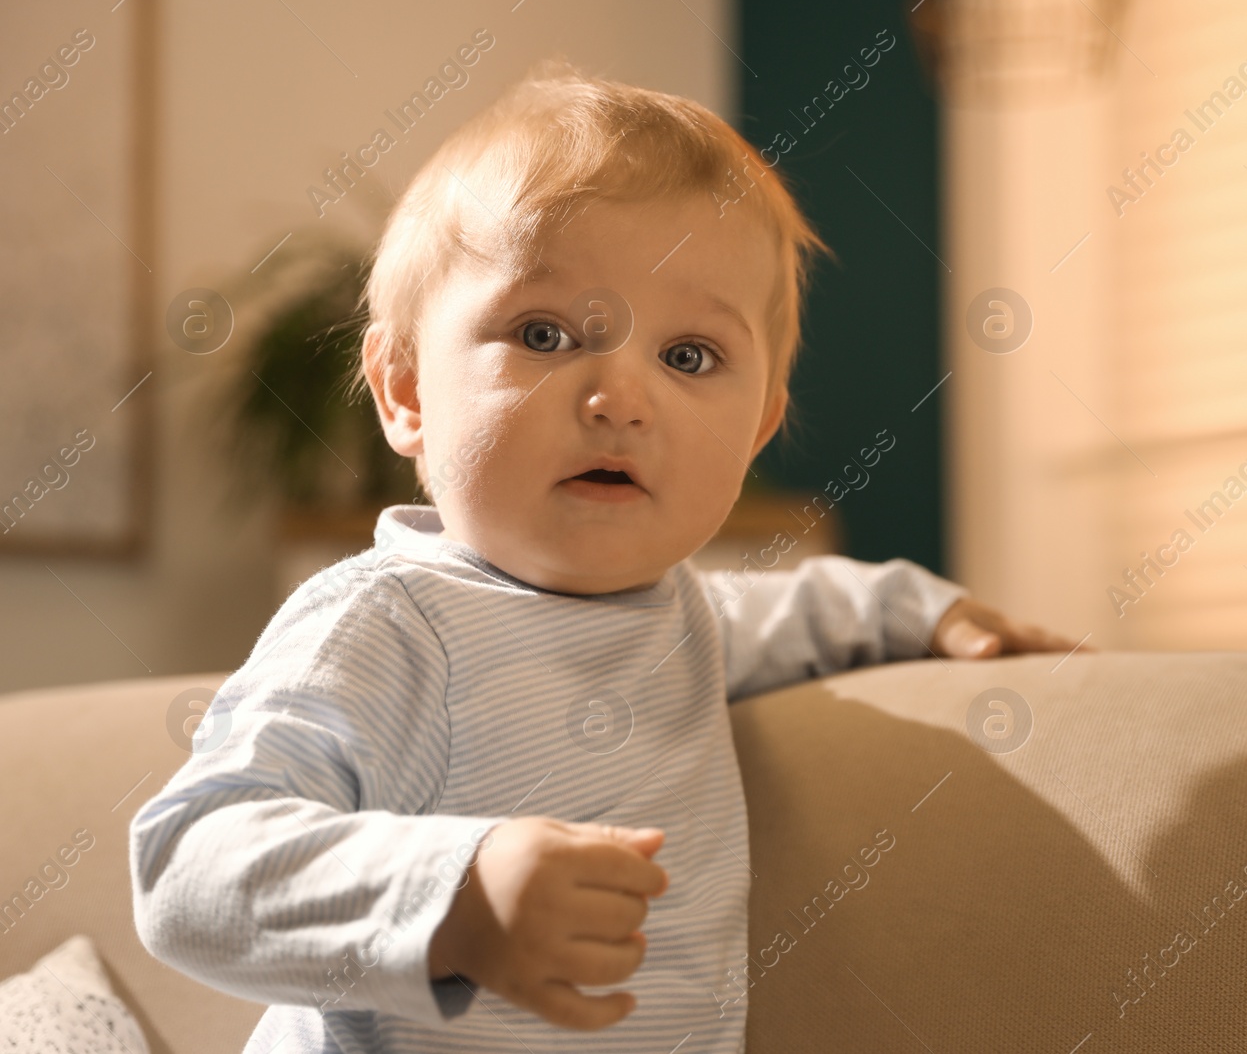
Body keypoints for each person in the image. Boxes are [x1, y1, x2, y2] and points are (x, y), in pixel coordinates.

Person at [130, 66, 1083, 1053]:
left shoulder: (682, 621)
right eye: (544, 334)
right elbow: (186, 868)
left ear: (758, 425)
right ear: (406, 389)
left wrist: (916, 610)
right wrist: (454, 894)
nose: (620, 397)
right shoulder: (385, 625)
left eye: (688, 357)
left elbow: (792, 613)